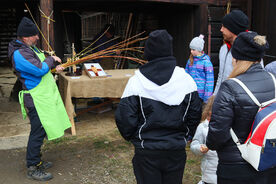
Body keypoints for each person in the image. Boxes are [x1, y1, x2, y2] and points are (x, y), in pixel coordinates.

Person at [115, 29, 202, 184]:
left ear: (148, 52)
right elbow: (194, 114)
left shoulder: (136, 82)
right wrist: (186, 136)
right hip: (174, 148)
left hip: (147, 149)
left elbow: (125, 118)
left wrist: (134, 137)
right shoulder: (186, 80)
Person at [206, 31, 276, 184]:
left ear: (236, 58)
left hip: (235, 168)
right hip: (268, 161)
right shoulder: (273, 80)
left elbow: (216, 136)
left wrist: (209, 143)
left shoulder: (230, 87)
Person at [8, 17, 71, 181]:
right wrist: (50, 61)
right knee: (37, 132)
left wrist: (54, 67)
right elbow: (38, 69)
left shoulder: (30, 48)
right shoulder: (19, 54)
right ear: (25, 36)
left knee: (41, 130)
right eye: (35, 35)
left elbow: (43, 66)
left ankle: (37, 160)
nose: (37, 37)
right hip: (35, 99)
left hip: (43, 98)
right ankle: (32, 166)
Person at [213, 10, 249, 95]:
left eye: (224, 27)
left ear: (233, 29)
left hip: (238, 103)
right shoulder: (223, 49)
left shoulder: (250, 51)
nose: (221, 30)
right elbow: (221, 76)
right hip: (223, 99)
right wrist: (214, 97)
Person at [190, 95, 218, 184]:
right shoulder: (203, 127)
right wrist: (200, 148)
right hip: (209, 175)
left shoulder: (233, 127)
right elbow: (194, 144)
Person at [185, 34, 214, 103]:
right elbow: (186, 76)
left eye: (193, 49)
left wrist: (207, 98)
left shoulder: (206, 62)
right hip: (191, 93)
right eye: (191, 49)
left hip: (201, 95)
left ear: (199, 49)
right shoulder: (190, 61)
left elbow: (209, 81)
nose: (191, 51)